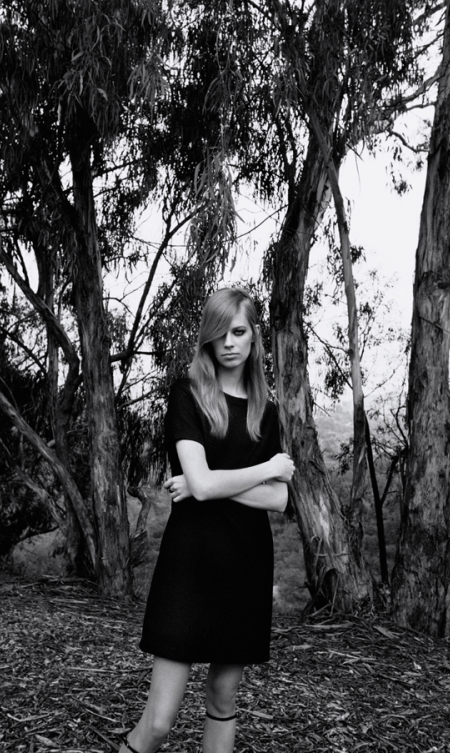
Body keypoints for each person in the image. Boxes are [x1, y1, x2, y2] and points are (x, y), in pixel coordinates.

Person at [120, 287, 295, 753]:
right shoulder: (189, 394)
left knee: (222, 697)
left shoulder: (266, 411)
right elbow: (201, 485)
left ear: (254, 336)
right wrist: (265, 469)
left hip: (244, 565)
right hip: (190, 563)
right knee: (159, 722)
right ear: (207, 340)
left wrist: (210, 483)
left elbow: (279, 499)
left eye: (238, 332)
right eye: (219, 334)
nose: (229, 343)